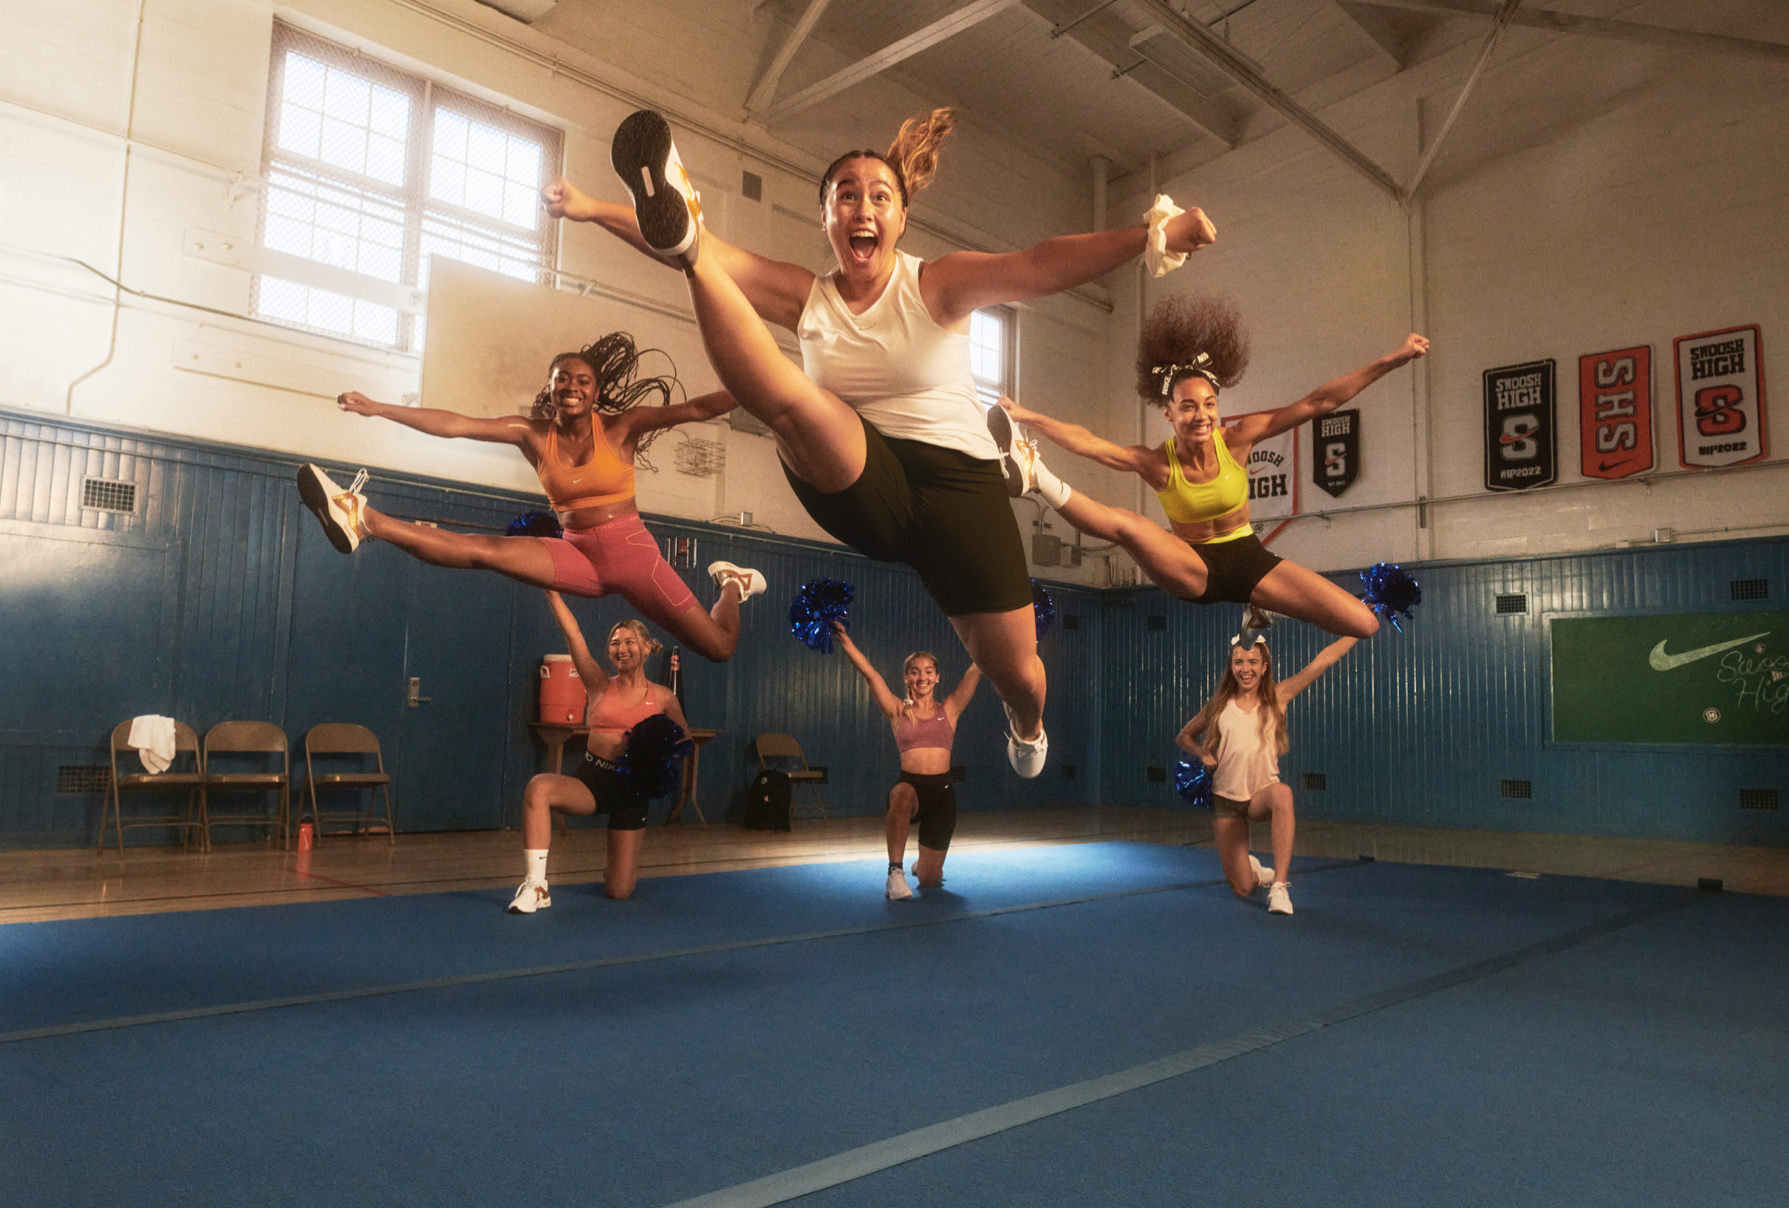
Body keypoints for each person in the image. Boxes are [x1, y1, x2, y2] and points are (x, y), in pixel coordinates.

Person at [542, 109, 1217, 775]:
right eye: (845, 196)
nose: (862, 208)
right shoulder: (807, 297)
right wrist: (597, 209)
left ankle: (1027, 723)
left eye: (879, 197)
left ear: (900, 219)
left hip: (959, 489)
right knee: (785, 389)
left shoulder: (936, 284)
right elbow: (703, 250)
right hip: (855, 471)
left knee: (1017, 673)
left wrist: (1151, 235)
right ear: (826, 219)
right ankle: (689, 248)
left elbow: (1036, 266)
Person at [296, 333, 765, 661]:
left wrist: (763, 386)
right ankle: (363, 517)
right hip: (577, 552)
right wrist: (380, 408)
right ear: (551, 387)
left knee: (719, 648)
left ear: (596, 392)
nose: (572, 386)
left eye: (582, 380)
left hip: (632, 555)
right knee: (483, 552)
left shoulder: (622, 428)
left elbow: (697, 408)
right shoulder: (531, 434)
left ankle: (732, 583)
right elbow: (458, 425)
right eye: (562, 378)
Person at [994, 296, 1428, 639]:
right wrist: (1027, 415)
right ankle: (1036, 474)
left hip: (1249, 560)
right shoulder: (1158, 464)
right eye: (1188, 407)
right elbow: (1090, 444)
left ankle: (1266, 608)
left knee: (1364, 624)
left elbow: (1319, 402)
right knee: (1128, 526)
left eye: (1209, 404)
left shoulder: (1237, 440)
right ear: (1168, 413)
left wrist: (1392, 359)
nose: (1201, 416)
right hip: (1192, 566)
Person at [510, 591, 689, 910]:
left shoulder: (663, 697)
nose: (622, 648)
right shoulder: (598, 684)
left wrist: (657, 757)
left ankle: (618, 869)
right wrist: (551, 591)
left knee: (619, 890)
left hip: (633, 792)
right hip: (593, 782)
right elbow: (574, 635)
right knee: (538, 787)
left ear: (647, 647)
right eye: (615, 643)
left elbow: (682, 741)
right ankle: (537, 887)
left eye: (630, 642)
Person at [1176, 631, 1356, 915]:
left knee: (1283, 794)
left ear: (1264, 667)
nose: (1245, 668)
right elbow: (1184, 736)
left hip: (1261, 795)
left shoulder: (1277, 696)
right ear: (1231, 666)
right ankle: (1256, 872)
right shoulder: (1219, 704)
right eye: (1238, 662)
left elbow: (1323, 662)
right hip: (1226, 799)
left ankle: (1279, 887)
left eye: (1252, 662)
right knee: (1242, 888)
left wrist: (1358, 629)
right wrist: (1202, 753)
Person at [832, 622, 983, 900]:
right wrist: (843, 639)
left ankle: (921, 866)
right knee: (900, 793)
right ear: (906, 677)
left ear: (937, 677)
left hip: (943, 795)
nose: (922, 677)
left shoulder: (950, 709)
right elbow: (869, 674)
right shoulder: (897, 711)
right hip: (911, 789)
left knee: (929, 881)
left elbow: (976, 668)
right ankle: (895, 873)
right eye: (915, 671)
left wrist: (1001, 637)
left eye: (928, 671)